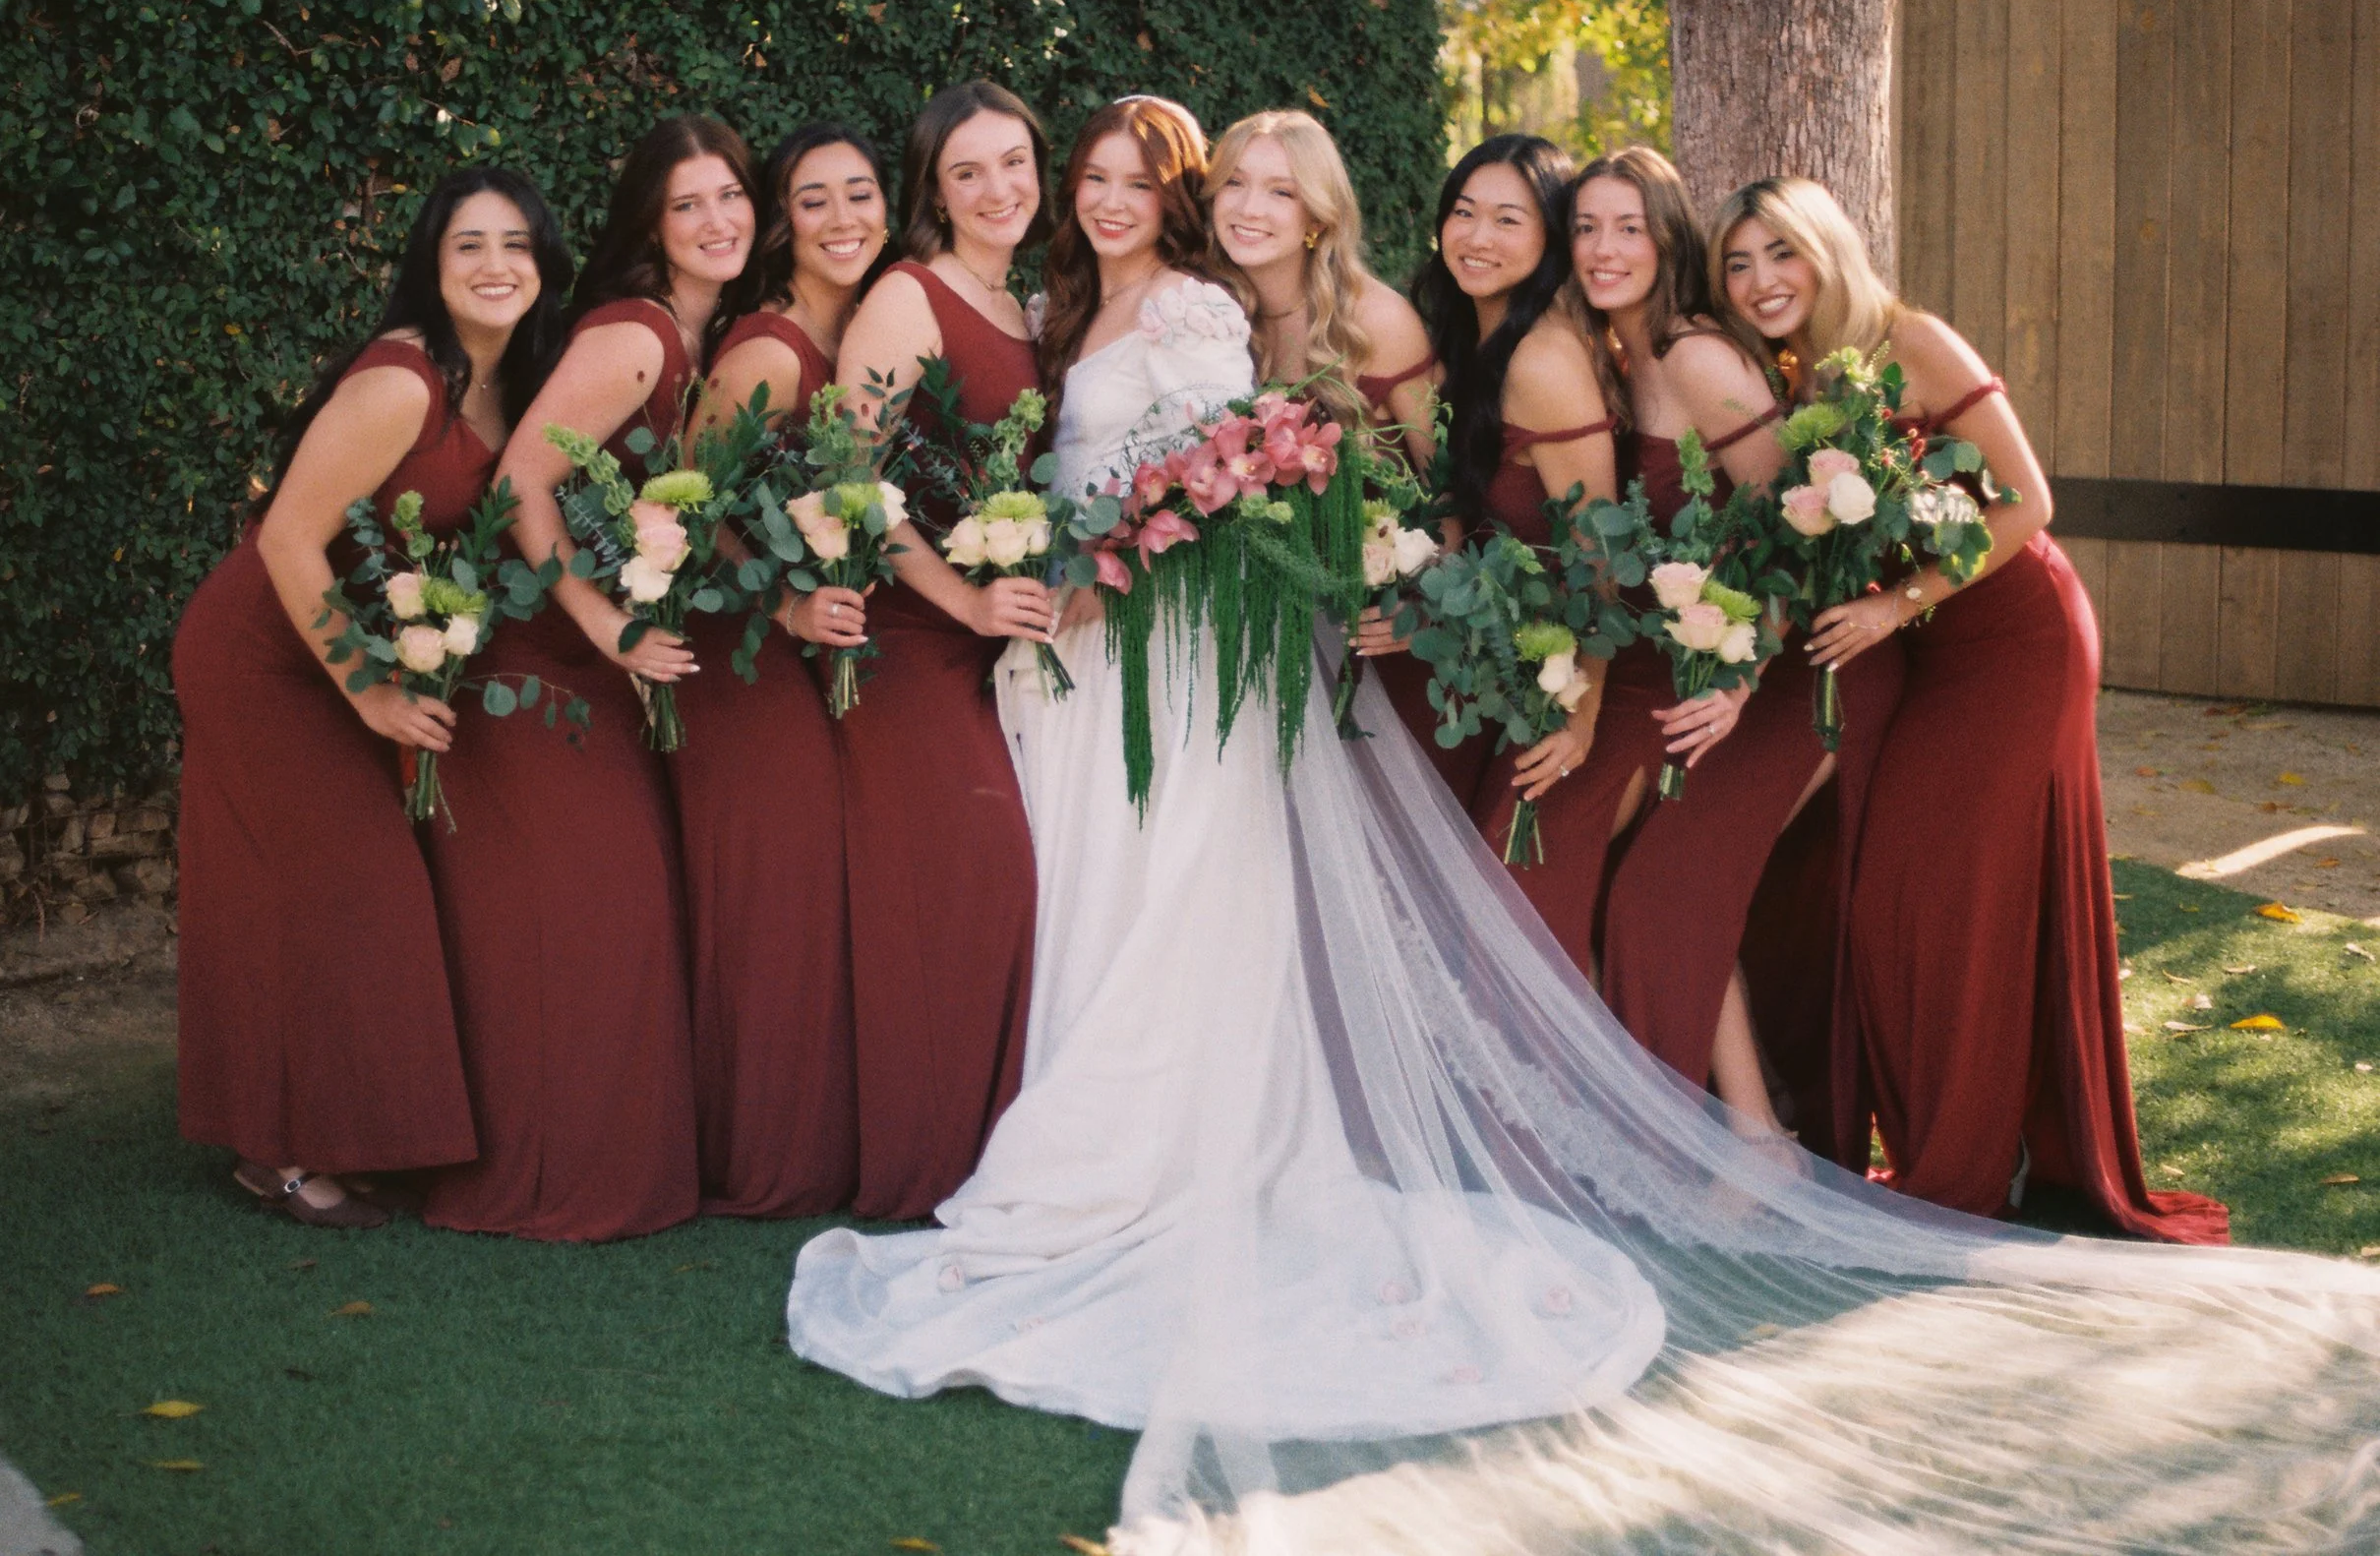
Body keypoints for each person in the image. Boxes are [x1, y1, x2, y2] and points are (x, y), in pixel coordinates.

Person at [786, 115, 2379, 1555]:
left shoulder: (1482, 338)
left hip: (1644, 667)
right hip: (1284, 663)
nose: (1154, 202)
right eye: (1121, 182)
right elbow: (1428, 509)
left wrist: (1639, 661)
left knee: (1586, 900)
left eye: (1540, 219)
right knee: (1238, 912)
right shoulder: (1173, 317)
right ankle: (1671, 1133)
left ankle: (1730, 1148)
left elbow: (1600, 515)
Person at [1715, 176, 2228, 1241]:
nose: (1761, 280)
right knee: (1896, 897)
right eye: (1738, 263)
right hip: (1923, 651)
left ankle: (1960, 1171)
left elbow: (2029, 500)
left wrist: (1897, 600)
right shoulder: (1790, 377)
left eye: (1780, 253)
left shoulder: (1912, 340)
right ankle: (1972, 1142)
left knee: (1948, 900)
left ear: (1826, 252)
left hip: (2012, 640)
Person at [174, 166, 568, 1228]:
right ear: (431, 269)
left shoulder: (509, 386)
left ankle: (334, 1125)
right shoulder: (403, 381)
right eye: (468, 246)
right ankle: (281, 1151)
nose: (495, 266)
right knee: (340, 890)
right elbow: (291, 537)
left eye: (516, 244)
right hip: (263, 658)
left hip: (345, 655)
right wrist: (373, 693)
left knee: (343, 896)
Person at [419, 116, 751, 1242]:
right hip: (538, 663)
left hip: (593, 669)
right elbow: (519, 481)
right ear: (651, 230)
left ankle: (599, 1158)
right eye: (688, 204)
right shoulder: (639, 335)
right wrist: (606, 626)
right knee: (584, 912)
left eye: (731, 196)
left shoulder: (706, 338)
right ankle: (546, 1172)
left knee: (611, 915)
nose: (720, 220)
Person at [823, 82, 1048, 1220]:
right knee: (978, 884)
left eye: (1013, 163)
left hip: (1003, 655)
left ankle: (991, 1150)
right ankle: (926, 1169)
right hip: (912, 645)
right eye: (968, 172)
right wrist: (958, 602)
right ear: (934, 191)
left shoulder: (1033, 307)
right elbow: (845, 470)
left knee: (1005, 896)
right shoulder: (910, 297)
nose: (997, 188)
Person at [1567, 149, 1819, 1139]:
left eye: (1628, 226)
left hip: (1782, 672)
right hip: (1687, 669)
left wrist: (1742, 677)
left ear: (1668, 235)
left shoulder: (1691, 353)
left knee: (1658, 888)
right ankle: (1737, 1125)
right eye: (1586, 226)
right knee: (1638, 881)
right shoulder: (1613, 357)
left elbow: (1798, 521)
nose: (1603, 247)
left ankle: (1750, 1139)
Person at [680, 123, 890, 1218]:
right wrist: (788, 600)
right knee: (774, 893)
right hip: (738, 653)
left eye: (861, 193)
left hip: (805, 651)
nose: (844, 217)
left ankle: (797, 1142)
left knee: (806, 890)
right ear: (781, 223)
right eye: (815, 201)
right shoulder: (769, 348)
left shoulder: (866, 340)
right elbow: (684, 499)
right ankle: (756, 1157)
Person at [1409, 137, 1644, 973]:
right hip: (1516, 669)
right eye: (1464, 212)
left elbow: (1601, 551)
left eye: (1509, 219)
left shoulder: (1541, 359)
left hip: (1590, 677)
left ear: (1548, 238)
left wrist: (1581, 715)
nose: (1478, 235)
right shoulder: (1465, 336)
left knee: (1504, 915)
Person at [1201, 110, 1476, 801]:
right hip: (1256, 637)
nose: (1250, 207)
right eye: (1234, 182)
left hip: (1377, 641)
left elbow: (1451, 486)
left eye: (1281, 192)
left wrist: (1419, 607)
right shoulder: (1209, 317)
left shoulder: (1373, 322)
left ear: (1317, 217)